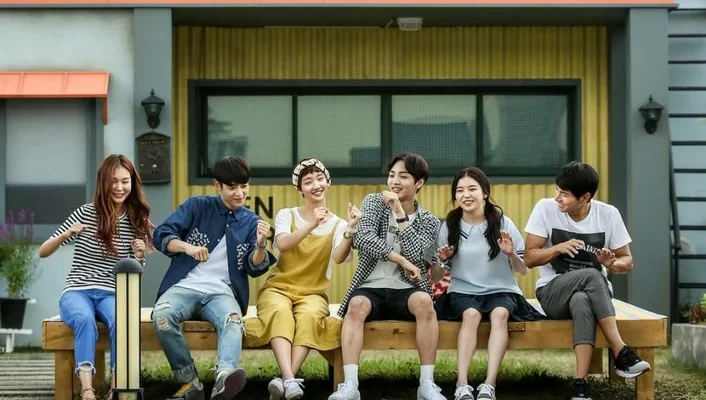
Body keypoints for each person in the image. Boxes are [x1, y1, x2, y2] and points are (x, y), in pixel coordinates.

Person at [151, 156, 276, 400]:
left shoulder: (252, 222)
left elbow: (254, 267)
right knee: (162, 317)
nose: (240, 193)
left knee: (233, 321)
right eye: (232, 187)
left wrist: (261, 244)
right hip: (184, 286)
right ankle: (190, 384)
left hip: (222, 293)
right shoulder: (197, 206)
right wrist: (187, 247)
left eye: (244, 186)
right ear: (217, 185)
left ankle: (224, 378)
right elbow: (162, 235)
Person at [523, 161, 651, 400]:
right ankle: (621, 351)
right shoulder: (545, 209)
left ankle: (580, 385)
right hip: (552, 292)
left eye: (564, 194)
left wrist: (611, 263)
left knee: (581, 300)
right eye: (557, 191)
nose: (557, 198)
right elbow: (529, 258)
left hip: (594, 298)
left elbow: (627, 262)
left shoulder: (608, 214)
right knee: (592, 275)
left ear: (585, 198)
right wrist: (557, 248)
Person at [328, 153, 444, 400]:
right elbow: (363, 238)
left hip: (407, 287)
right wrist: (400, 260)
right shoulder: (373, 202)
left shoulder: (430, 221)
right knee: (356, 306)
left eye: (403, 176)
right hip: (371, 284)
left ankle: (426, 384)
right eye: (392, 175)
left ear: (419, 183)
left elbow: (417, 254)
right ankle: (350, 385)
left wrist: (400, 213)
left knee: (425, 303)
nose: (395, 181)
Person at [38, 154, 152, 400]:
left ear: (132, 183)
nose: (119, 187)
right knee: (84, 319)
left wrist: (140, 256)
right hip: (77, 291)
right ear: (103, 182)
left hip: (112, 292)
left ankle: (117, 389)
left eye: (125, 181)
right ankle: (87, 390)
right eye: (114, 181)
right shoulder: (85, 213)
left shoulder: (135, 219)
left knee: (122, 322)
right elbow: (43, 251)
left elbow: (134, 279)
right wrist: (66, 234)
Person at [245, 158, 360, 400]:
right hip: (278, 288)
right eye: (308, 182)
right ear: (300, 189)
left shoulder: (339, 224)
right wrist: (313, 223)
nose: (315, 185)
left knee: (309, 317)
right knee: (279, 312)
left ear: (328, 182)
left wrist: (350, 229)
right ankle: (289, 378)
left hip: (313, 293)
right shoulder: (287, 215)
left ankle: (285, 380)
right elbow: (283, 244)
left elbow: (339, 257)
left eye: (320, 179)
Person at [429, 167, 544, 400]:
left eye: (472, 189)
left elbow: (523, 270)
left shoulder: (503, 223)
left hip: (502, 290)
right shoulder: (449, 226)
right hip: (463, 291)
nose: (466, 195)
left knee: (500, 314)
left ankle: (489, 385)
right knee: (471, 315)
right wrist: (441, 260)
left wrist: (511, 253)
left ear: (484, 193)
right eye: (460, 190)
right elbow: (436, 277)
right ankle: (462, 384)